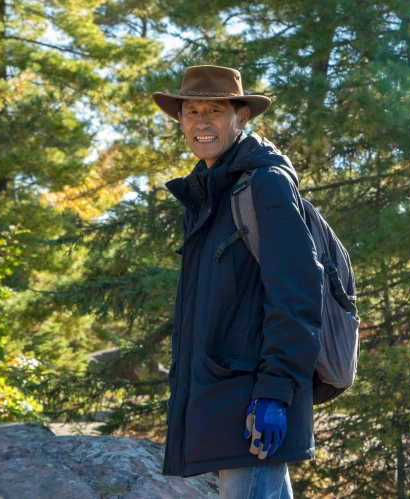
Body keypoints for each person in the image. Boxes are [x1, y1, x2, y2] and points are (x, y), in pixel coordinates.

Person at [154, 65, 324, 499]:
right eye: (192, 111)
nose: (202, 122)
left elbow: (298, 292)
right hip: (226, 397)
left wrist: (274, 392)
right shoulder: (211, 191)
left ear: (241, 116)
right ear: (181, 122)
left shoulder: (263, 184)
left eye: (215, 109)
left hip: (252, 401)